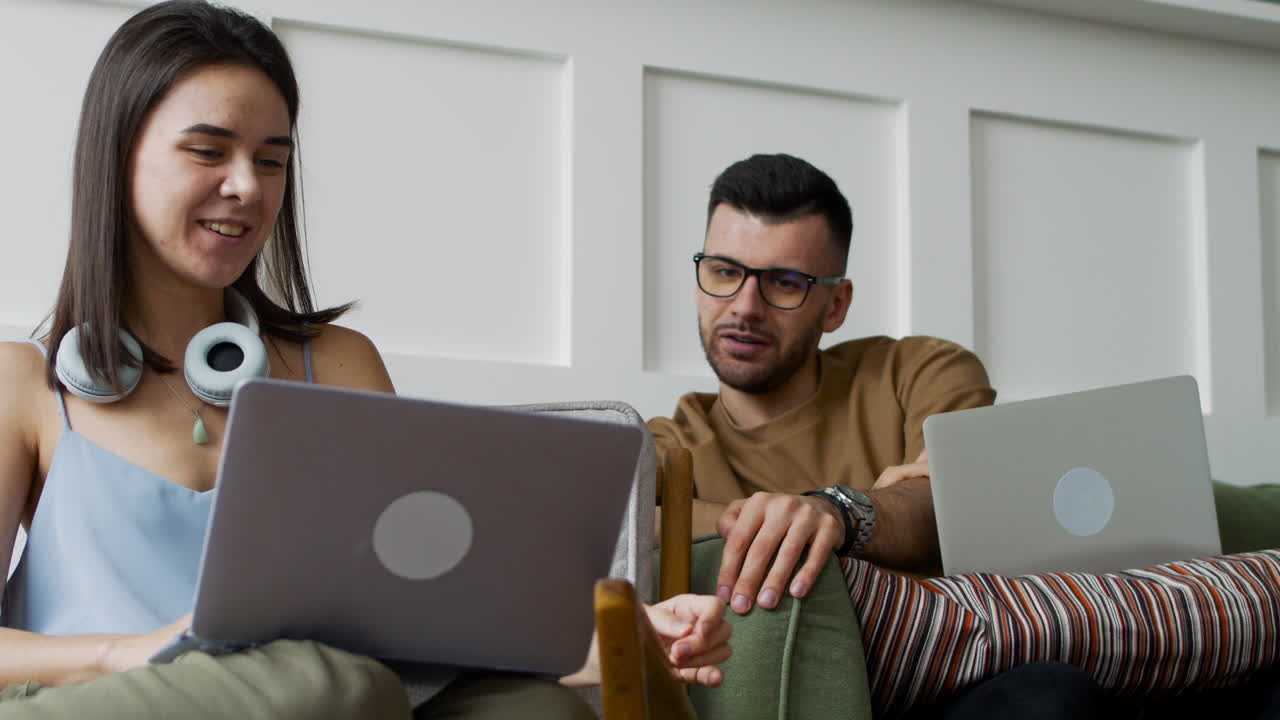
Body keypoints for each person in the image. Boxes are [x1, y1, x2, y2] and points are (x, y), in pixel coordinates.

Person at [0, 2, 729, 718]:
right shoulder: (21, 382)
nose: (248, 187)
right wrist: (121, 653)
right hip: (103, 698)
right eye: (207, 150)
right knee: (329, 684)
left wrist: (617, 637)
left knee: (530, 709)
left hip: (336, 697)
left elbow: (416, 612)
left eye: (271, 160)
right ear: (117, 153)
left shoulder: (340, 364)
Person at [646, 153, 1123, 718]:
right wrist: (868, 503)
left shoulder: (920, 372)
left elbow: (957, 510)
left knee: (1052, 697)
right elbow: (610, 529)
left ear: (836, 304)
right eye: (725, 272)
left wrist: (836, 511)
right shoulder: (663, 444)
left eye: (785, 283)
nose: (745, 308)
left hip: (961, 686)